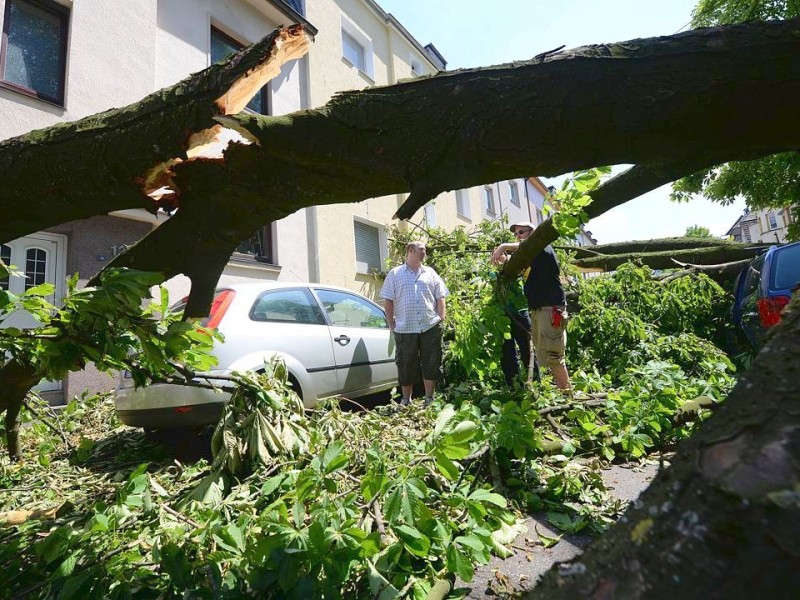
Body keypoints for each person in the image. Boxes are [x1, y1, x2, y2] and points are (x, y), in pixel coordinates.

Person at [492, 221, 571, 391]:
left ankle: (568, 396)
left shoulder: (542, 246)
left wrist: (503, 246)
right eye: (516, 234)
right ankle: (562, 393)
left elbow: (525, 248)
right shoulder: (531, 255)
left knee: (554, 355)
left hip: (550, 308)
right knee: (547, 355)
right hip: (538, 308)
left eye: (521, 232)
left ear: (533, 233)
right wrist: (506, 259)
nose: (518, 236)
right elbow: (520, 265)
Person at [381, 241, 449, 405]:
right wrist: (391, 324)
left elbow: (440, 295)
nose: (424, 252)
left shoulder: (430, 273)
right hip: (405, 327)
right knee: (406, 364)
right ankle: (406, 400)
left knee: (432, 361)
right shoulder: (395, 274)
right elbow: (388, 300)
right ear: (410, 251)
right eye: (421, 249)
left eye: (424, 249)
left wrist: (441, 316)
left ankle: (429, 398)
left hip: (430, 325)